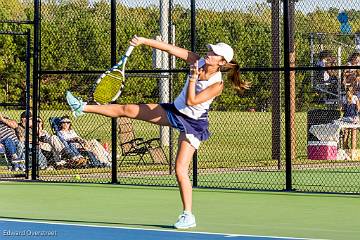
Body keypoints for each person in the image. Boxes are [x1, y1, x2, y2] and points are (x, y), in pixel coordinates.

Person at [66, 36, 250, 229]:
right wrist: (144, 41)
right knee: (127, 109)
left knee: (180, 169)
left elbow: (191, 102)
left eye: (214, 53)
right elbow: (171, 49)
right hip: (173, 111)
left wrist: (194, 77)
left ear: (222, 62)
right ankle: (82, 107)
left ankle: (188, 215)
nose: (209, 53)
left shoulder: (217, 85)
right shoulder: (198, 60)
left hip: (193, 124)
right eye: (211, 50)